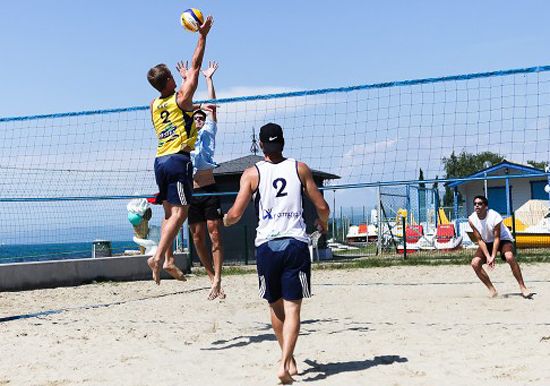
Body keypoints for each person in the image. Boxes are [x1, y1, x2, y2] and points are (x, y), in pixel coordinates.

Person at [223, 123, 330, 384]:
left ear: (261, 145)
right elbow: (322, 206)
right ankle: (286, 362)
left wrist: (225, 220)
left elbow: (235, 214)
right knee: (293, 308)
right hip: (295, 243)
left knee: (276, 305)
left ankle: (286, 359)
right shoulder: (299, 168)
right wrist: (323, 224)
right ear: (283, 142)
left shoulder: (251, 173)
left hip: (267, 246)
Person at [145, 16, 213, 284]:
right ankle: (158, 256)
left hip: (159, 160)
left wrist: (184, 81)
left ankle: (170, 259)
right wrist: (202, 36)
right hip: (178, 159)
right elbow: (196, 65)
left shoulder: (153, 104)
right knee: (181, 213)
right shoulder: (182, 97)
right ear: (171, 79)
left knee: (168, 214)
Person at [177, 60, 225, 300]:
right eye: (195, 118)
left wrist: (207, 78)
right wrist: (187, 80)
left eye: (201, 118)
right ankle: (211, 279)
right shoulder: (185, 132)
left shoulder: (208, 132)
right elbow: (182, 104)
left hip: (208, 187)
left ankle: (218, 278)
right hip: (191, 192)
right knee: (197, 238)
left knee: (214, 234)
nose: (199, 120)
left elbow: (213, 107)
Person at [468, 195, 533, 298]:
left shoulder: (494, 216)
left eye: (480, 204)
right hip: (486, 242)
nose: (477, 206)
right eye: (475, 204)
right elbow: (479, 240)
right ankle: (492, 290)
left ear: (486, 206)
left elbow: (497, 238)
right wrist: (488, 257)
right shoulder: (472, 219)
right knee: (475, 263)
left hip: (503, 239)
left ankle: (523, 287)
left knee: (509, 257)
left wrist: (493, 256)